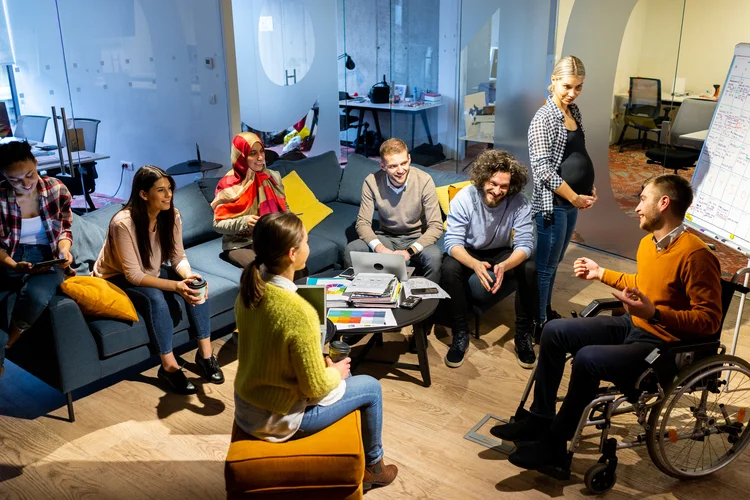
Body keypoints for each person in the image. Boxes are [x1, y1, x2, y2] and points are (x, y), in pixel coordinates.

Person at [491, 174, 722, 471]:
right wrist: (602, 273)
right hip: (633, 324)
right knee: (553, 330)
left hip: (662, 345)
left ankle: (555, 448)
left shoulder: (696, 255)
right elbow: (644, 282)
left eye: (643, 200)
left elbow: (709, 321)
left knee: (587, 359)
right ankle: (540, 419)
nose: (637, 208)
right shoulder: (650, 244)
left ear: (664, 203)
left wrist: (655, 314)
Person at [234, 212, 398, 491]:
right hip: (280, 419)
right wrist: (335, 372)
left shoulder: (250, 291)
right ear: (292, 253)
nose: (309, 247)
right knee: (370, 388)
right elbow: (315, 387)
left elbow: (269, 352)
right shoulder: (299, 311)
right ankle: (374, 466)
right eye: (306, 241)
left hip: (247, 409)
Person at [93, 166, 223, 394]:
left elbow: (178, 256)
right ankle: (169, 367)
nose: (169, 195)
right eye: (161, 190)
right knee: (156, 299)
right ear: (143, 194)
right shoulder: (123, 223)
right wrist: (175, 286)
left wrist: (187, 276)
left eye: (170, 189)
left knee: (196, 286)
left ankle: (205, 355)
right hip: (117, 277)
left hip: (150, 271)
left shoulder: (171, 215)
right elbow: (133, 275)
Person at [441, 149, 538, 369]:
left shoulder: (520, 202)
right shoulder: (465, 198)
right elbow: (452, 243)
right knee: (448, 267)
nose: (497, 190)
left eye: (504, 186)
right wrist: (474, 264)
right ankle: (460, 334)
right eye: (493, 183)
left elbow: (525, 244)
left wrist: (505, 264)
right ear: (483, 177)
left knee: (529, 268)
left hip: (502, 252)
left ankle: (523, 336)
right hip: (471, 251)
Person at [529, 55, 597, 329]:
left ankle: (545, 312)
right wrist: (575, 197)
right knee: (544, 268)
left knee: (555, 262)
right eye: (567, 86)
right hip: (553, 204)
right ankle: (538, 324)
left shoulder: (574, 111)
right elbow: (543, 170)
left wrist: (589, 187)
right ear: (554, 80)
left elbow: (578, 151)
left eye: (579, 87)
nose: (573, 93)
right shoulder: (543, 118)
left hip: (572, 203)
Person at [0, 140, 73, 378]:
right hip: (9, 257)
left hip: (46, 257)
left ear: (36, 163)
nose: (25, 184)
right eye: (14, 180)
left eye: (29, 175)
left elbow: (64, 230)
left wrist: (64, 251)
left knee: (36, 295)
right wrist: (12, 264)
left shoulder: (56, 188)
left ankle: (8, 344)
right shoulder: (0, 197)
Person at [344, 138, 443, 282]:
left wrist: (410, 251)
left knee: (434, 257)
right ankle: (360, 296)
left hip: (416, 237)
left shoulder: (424, 180)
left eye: (404, 163)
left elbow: (436, 226)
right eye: (393, 166)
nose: (400, 170)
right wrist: (380, 249)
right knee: (351, 250)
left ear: (409, 158)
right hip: (386, 237)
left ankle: (428, 301)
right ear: (383, 166)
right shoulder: (372, 182)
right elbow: (362, 223)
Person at [212, 132, 288, 270]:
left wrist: (291, 226)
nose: (260, 157)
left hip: (270, 237)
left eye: (261, 151)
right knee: (267, 268)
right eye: (252, 153)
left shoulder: (272, 177)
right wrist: (244, 222)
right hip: (240, 243)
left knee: (295, 260)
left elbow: (284, 208)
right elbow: (217, 224)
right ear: (240, 156)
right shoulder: (227, 185)